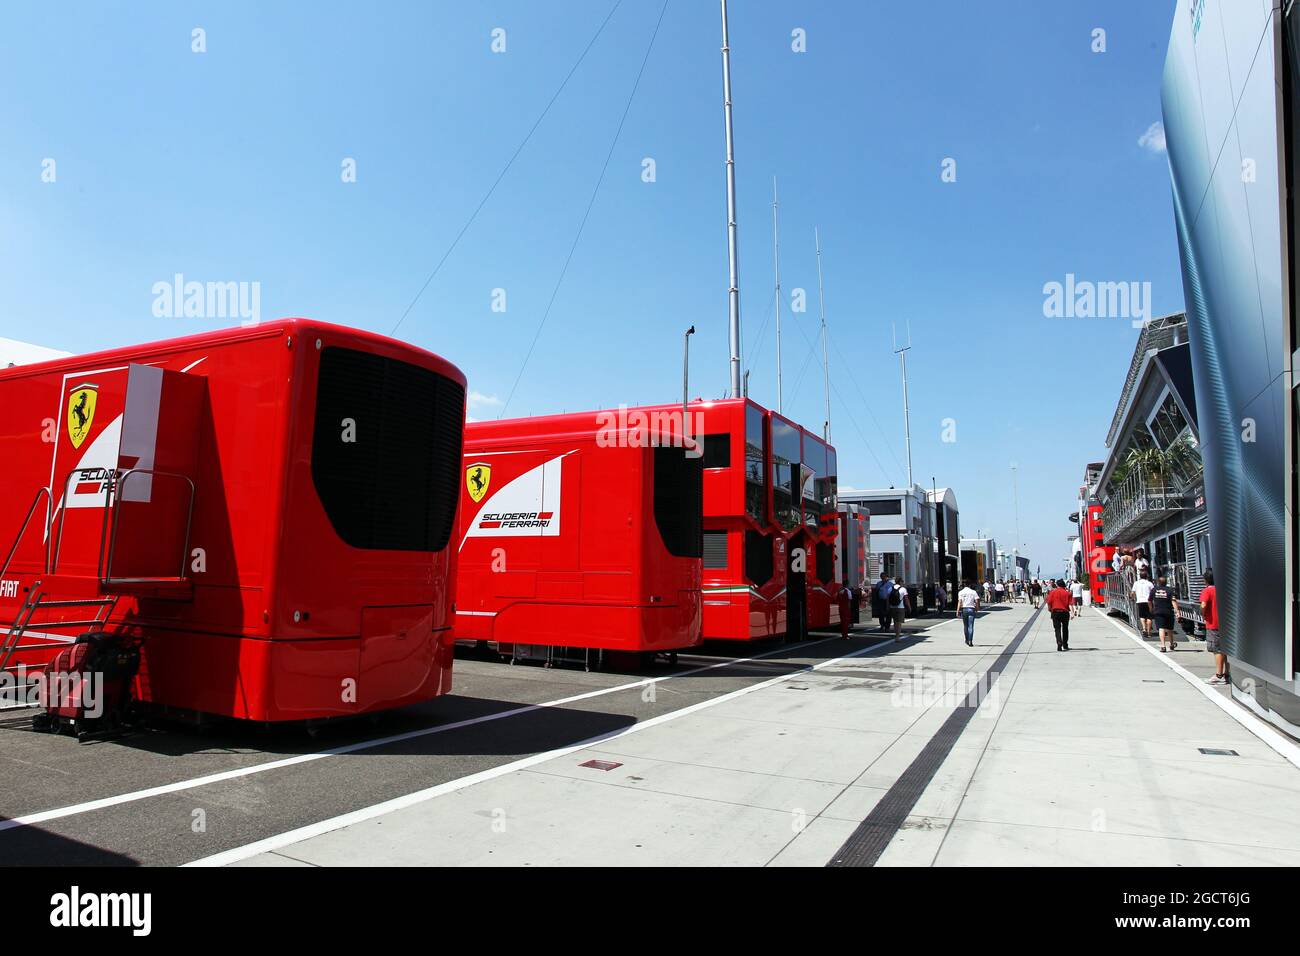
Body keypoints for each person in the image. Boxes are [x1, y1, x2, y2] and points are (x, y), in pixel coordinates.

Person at [1201, 569, 1226, 684]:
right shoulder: (1223, 589)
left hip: (1213, 624)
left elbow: (1203, 604)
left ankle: (1219, 675)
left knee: (1217, 650)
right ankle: (1227, 673)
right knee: (1225, 649)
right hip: (1225, 623)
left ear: (1205, 580)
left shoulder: (1207, 591)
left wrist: (1203, 613)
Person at [1151, 574, 1177, 652]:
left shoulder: (1154, 590)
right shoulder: (1170, 590)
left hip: (1158, 611)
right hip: (1168, 611)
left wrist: (1151, 608)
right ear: (1166, 582)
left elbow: (1149, 600)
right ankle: (1171, 644)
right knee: (1170, 629)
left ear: (1158, 582)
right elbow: (1173, 601)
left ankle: (1163, 646)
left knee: (1161, 628)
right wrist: (1177, 611)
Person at [1046, 578, 1073, 650]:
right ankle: (1065, 644)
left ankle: (1059, 642)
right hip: (1065, 612)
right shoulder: (1067, 593)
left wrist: (1050, 609)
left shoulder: (1052, 592)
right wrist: (1072, 613)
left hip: (1055, 612)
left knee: (1057, 629)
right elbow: (1070, 604)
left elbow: (1049, 602)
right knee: (1065, 628)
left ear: (1057, 585)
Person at [1131, 571, 1155, 640]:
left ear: (1140, 576)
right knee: (1149, 616)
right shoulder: (1149, 583)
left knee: (1142, 616)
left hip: (1140, 601)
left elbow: (1132, 592)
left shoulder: (1136, 583)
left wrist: (1132, 597)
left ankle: (1144, 628)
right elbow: (1153, 591)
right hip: (1148, 601)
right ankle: (1149, 632)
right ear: (1146, 576)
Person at [957, 578, 980, 646]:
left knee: (965, 625)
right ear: (970, 584)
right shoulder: (973, 592)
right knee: (971, 626)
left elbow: (960, 602)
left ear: (964, 585)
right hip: (971, 609)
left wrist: (958, 610)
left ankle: (966, 639)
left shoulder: (961, 592)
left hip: (964, 609)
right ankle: (970, 641)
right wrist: (977, 608)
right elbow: (977, 600)